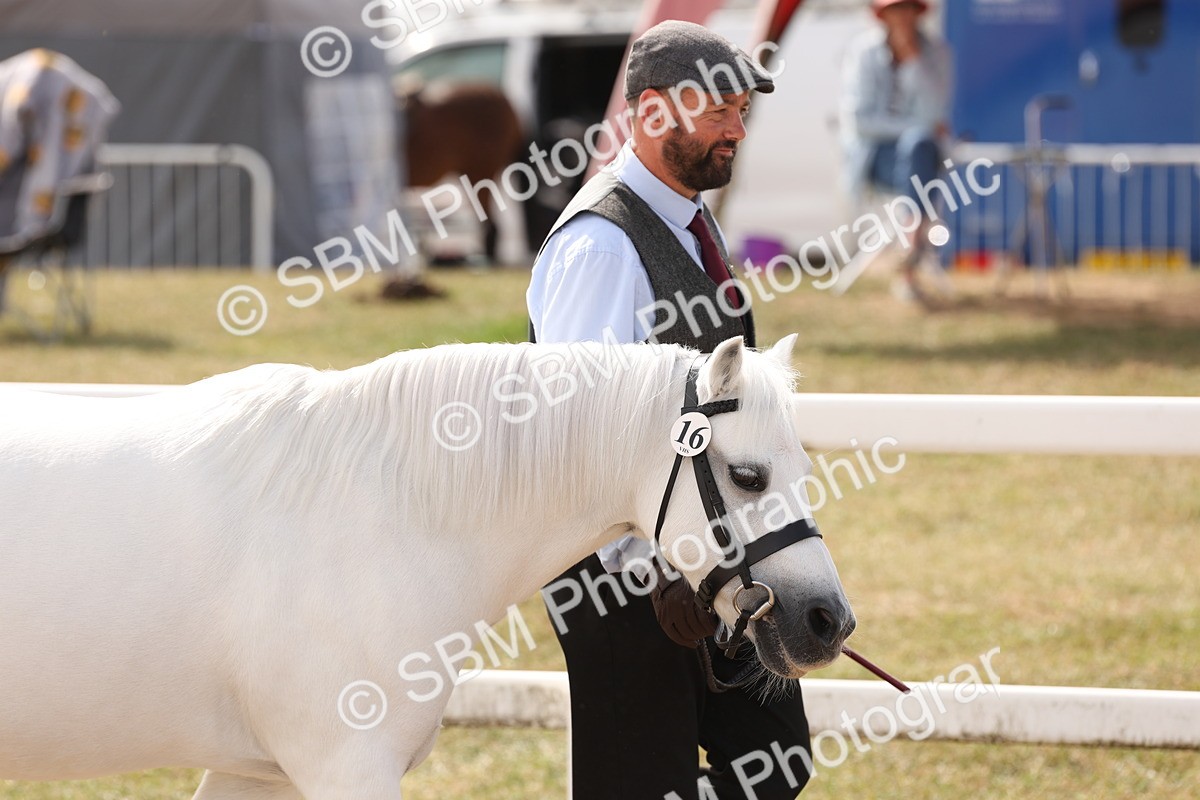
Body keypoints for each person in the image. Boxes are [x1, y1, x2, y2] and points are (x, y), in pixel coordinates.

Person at [526, 20, 812, 800]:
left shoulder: (691, 216)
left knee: (776, 763)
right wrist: (650, 571)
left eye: (742, 110)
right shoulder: (601, 245)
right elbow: (576, 432)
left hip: (715, 561)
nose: (737, 128)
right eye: (718, 109)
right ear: (653, 114)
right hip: (622, 580)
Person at [840, 0, 952, 301]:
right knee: (920, 144)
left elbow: (933, 112)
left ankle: (911, 236)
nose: (902, 17)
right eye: (895, 9)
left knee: (919, 147)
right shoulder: (864, 52)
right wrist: (913, 127)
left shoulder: (936, 53)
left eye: (908, 8)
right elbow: (860, 121)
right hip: (875, 158)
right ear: (883, 15)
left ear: (918, 13)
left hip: (921, 156)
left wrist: (914, 60)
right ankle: (914, 240)